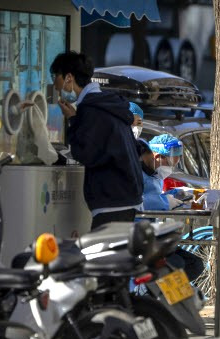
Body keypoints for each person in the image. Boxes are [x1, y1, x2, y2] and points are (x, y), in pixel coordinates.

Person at [50, 51, 143, 230]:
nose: (55, 85)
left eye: (56, 77)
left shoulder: (91, 110)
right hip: (125, 197)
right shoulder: (105, 104)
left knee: (103, 257)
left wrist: (73, 120)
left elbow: (84, 153)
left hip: (112, 201)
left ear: (69, 77)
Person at [136, 135, 204, 282]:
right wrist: (164, 202)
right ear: (156, 156)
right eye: (169, 162)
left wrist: (177, 194)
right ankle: (149, 297)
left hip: (151, 235)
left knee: (195, 265)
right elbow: (136, 201)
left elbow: (154, 195)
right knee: (175, 264)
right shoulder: (136, 173)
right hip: (135, 235)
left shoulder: (154, 176)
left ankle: (168, 300)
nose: (171, 168)